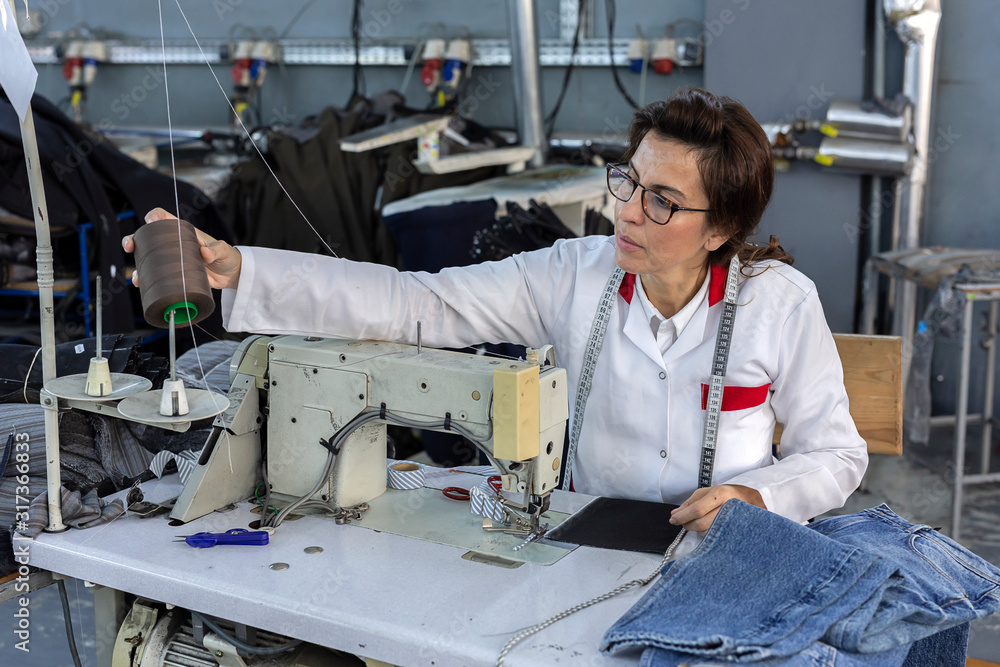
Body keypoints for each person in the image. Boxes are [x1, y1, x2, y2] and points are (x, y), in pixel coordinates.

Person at [123, 88, 867, 536]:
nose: (627, 213)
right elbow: (415, 305)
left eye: (661, 201)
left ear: (721, 229)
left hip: (724, 550)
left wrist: (755, 494)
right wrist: (241, 266)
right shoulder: (575, 275)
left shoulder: (777, 305)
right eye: (628, 181)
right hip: (588, 543)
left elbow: (837, 455)